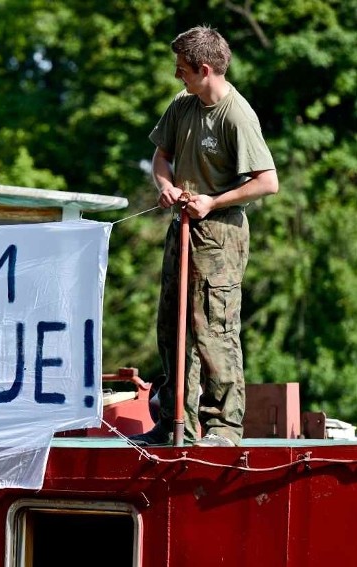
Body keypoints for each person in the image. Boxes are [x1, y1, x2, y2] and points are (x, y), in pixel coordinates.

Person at [130, 25, 278, 447]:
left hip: (220, 234)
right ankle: (178, 422)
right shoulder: (182, 105)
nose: (178, 76)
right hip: (182, 229)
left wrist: (213, 202)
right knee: (172, 326)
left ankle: (224, 428)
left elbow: (268, 181)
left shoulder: (237, 115)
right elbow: (162, 156)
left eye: (183, 70)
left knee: (213, 329)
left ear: (206, 69)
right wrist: (166, 187)